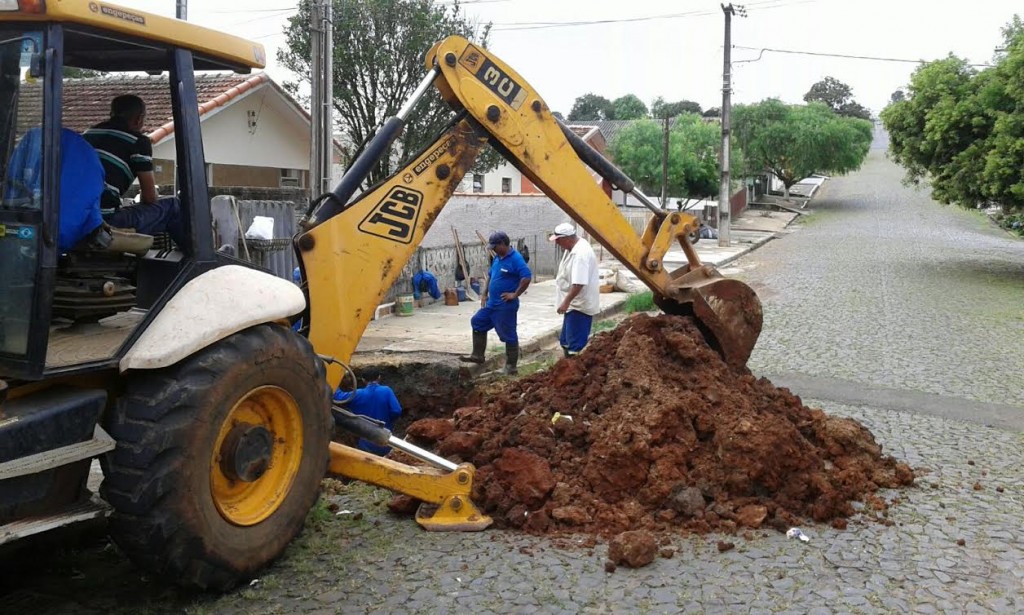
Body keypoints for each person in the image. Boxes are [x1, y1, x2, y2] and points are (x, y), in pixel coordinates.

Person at [83, 94, 188, 250]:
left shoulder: (87, 135)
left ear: (112, 114)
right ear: (139, 119)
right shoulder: (138, 142)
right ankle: (195, 257)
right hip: (104, 221)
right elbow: (150, 197)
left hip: (79, 217)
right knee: (173, 206)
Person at [460, 231, 532, 375]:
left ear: (502, 244)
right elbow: (491, 276)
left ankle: (511, 367)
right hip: (492, 304)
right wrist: (485, 293)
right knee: (478, 321)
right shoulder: (498, 258)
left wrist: (515, 294)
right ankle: (478, 355)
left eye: (494, 246)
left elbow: (526, 277)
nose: (492, 249)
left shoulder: (516, 259)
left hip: (505, 305)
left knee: (509, 334)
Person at [549, 222, 600, 357]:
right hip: (573, 304)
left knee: (574, 346)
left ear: (567, 238)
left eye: (558, 240)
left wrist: (565, 302)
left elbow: (578, 283)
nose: (557, 244)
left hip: (579, 305)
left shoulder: (580, 255)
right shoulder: (572, 247)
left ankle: (574, 371)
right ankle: (567, 367)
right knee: (565, 341)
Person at [333, 372, 402, 456]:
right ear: (379, 377)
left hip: (366, 442)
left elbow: (337, 397)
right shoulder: (386, 391)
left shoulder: (357, 394)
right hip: (386, 441)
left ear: (363, 380)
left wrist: (334, 377)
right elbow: (396, 410)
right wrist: (389, 421)